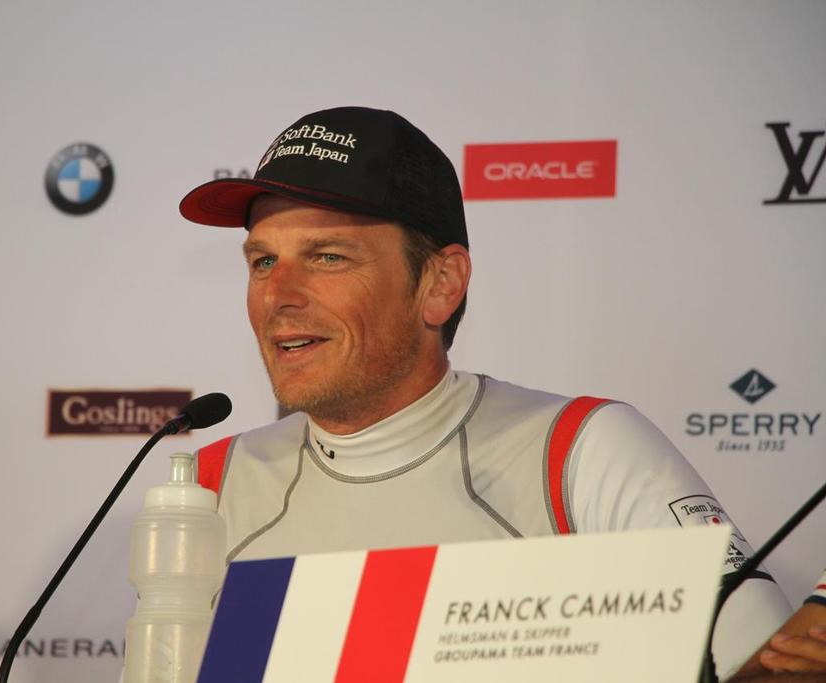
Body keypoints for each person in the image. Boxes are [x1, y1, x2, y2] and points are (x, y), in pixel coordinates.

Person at [178, 106, 793, 678]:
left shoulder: (581, 450)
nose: (278, 295)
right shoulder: (212, 482)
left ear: (441, 283)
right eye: (262, 262)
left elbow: (770, 666)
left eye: (329, 257)